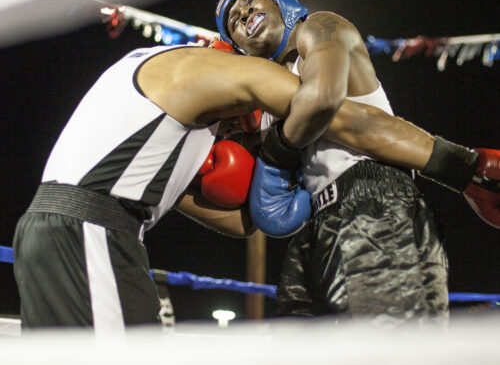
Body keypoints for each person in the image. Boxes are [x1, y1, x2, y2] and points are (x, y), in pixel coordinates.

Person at [14, 41, 446, 333]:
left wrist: (271, 178)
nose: (241, 136)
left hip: (59, 229)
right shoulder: (206, 68)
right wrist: (459, 165)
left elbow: (244, 222)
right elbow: (334, 113)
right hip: (90, 234)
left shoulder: (153, 102)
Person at [214, 0, 500, 325]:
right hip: (317, 226)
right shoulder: (268, 102)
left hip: (374, 203)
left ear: (282, 3)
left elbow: (322, 98)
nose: (244, 14)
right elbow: (249, 212)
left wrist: (275, 152)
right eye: (234, 22)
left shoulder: (321, 27)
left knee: (387, 347)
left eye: (251, 1)